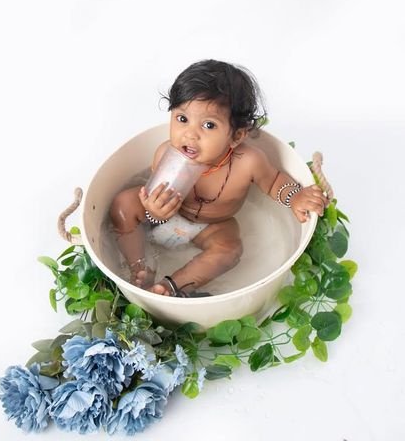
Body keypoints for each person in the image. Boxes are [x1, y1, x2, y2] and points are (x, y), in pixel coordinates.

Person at [110, 60, 329, 297]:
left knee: (229, 249)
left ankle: (172, 286)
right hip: (167, 216)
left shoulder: (248, 161)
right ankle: (140, 266)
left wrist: (295, 197)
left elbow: (274, 181)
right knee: (124, 205)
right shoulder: (166, 154)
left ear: (236, 136)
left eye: (208, 125)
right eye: (182, 119)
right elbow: (154, 197)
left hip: (212, 226)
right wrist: (155, 213)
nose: (190, 134)